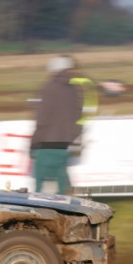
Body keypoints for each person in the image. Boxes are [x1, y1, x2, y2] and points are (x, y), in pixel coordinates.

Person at [30, 55, 83, 195]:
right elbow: (78, 115)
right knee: (61, 177)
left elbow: (42, 119)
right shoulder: (75, 89)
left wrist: (34, 142)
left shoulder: (48, 88)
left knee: (40, 181)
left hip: (47, 142)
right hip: (66, 141)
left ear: (54, 70)